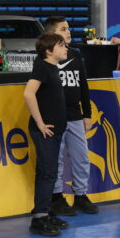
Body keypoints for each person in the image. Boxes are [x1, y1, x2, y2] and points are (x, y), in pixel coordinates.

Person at [44, 17, 98, 217]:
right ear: (51, 34)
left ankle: (81, 195)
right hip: (54, 117)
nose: (68, 32)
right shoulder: (44, 58)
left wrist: (87, 113)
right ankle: (57, 197)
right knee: (56, 160)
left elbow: (83, 85)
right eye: (63, 29)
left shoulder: (75, 54)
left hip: (75, 115)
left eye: (68, 28)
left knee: (81, 157)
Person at [23, 32, 69, 236]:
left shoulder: (52, 67)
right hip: (46, 131)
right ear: (49, 51)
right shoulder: (42, 66)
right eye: (61, 45)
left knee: (49, 173)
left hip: (55, 129)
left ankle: (45, 211)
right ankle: (39, 218)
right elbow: (28, 93)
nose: (66, 48)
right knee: (47, 173)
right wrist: (40, 123)